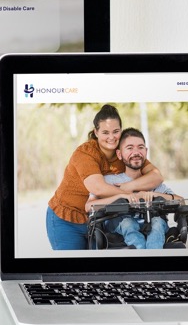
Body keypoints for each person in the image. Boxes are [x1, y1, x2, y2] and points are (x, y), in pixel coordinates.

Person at [45, 105, 164, 250]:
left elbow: (156, 177)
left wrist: (129, 187)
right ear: (96, 132)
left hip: (100, 219)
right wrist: (129, 195)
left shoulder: (124, 153)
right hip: (67, 220)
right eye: (105, 132)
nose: (111, 137)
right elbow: (98, 188)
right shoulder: (86, 153)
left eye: (116, 131)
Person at [87, 128, 183, 249]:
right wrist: (121, 195)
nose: (136, 152)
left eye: (140, 147)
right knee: (128, 223)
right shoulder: (110, 181)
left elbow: (181, 201)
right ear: (119, 154)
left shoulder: (152, 182)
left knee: (158, 223)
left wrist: (151, 195)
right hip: (119, 228)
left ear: (146, 151)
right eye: (130, 148)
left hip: (153, 225)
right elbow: (89, 206)